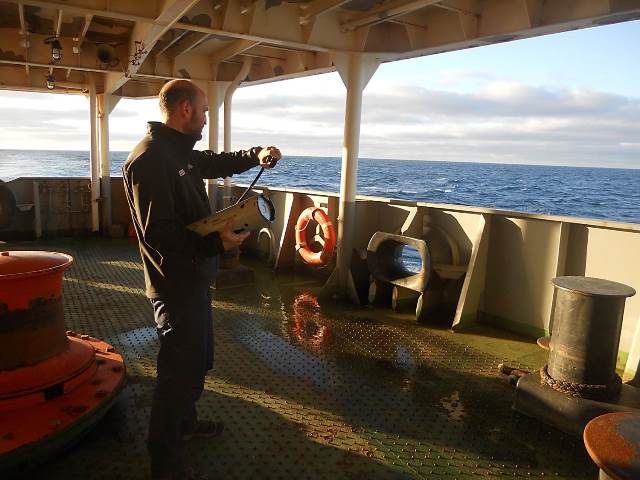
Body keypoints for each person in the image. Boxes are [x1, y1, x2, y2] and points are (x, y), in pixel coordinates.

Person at [122, 79, 281, 480]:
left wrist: (255, 155)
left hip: (194, 278)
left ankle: (186, 425)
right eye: (205, 110)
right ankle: (166, 463)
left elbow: (214, 162)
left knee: (197, 362)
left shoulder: (178, 152)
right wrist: (217, 243)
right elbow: (158, 235)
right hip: (174, 284)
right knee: (177, 375)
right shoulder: (149, 160)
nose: (208, 118)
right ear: (185, 109)